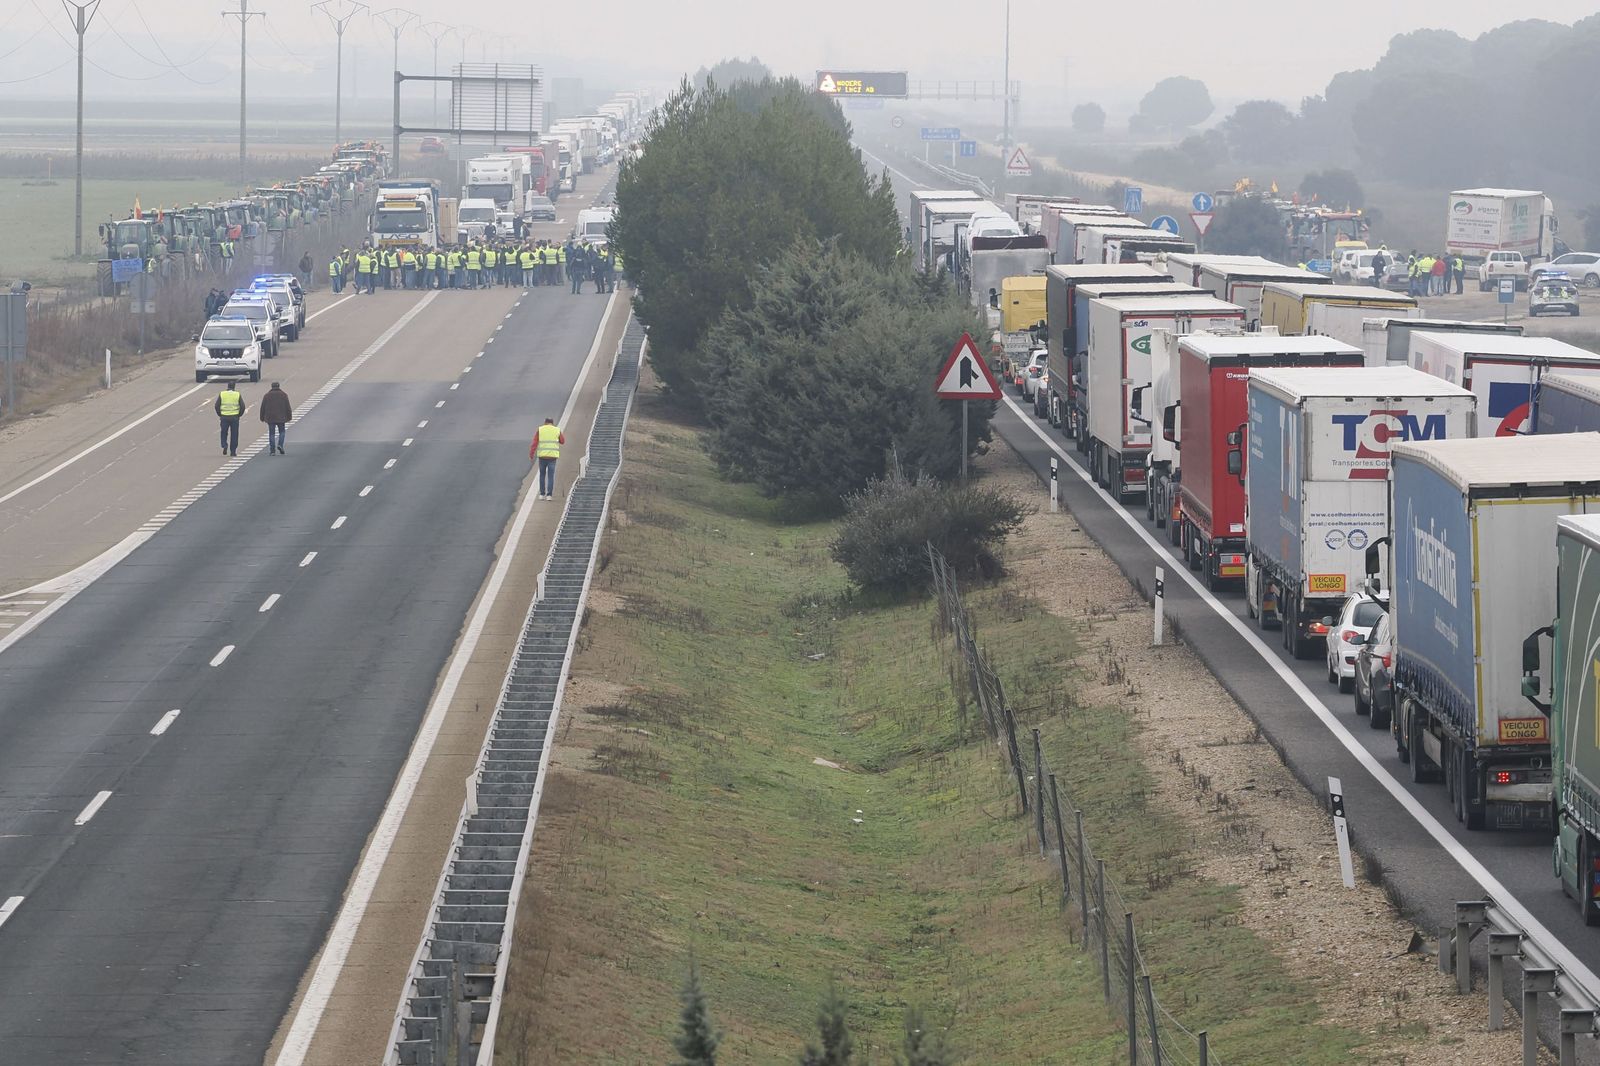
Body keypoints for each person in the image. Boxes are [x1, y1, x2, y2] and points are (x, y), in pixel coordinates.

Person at [530, 417, 564, 500]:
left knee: (542, 475)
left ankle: (542, 494)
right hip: (552, 457)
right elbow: (562, 441)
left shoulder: (540, 429)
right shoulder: (557, 430)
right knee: (551, 476)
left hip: (542, 457)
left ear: (545, 422)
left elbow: (534, 443)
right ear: (552, 423)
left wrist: (531, 454)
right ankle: (549, 495)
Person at [260, 380, 292, 455]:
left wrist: (262, 417)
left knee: (272, 434)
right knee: (282, 432)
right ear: (278, 386)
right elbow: (288, 407)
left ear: (272, 387)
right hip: (281, 417)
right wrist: (289, 416)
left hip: (270, 418)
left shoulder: (267, 395)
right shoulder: (284, 395)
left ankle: (272, 451)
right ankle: (280, 444)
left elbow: (263, 407)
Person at [215, 383, 246, 456]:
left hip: (224, 417)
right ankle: (233, 451)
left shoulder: (222, 394)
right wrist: (239, 415)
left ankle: (224, 445)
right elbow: (242, 406)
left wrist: (220, 414)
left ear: (227, 386)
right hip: (234, 417)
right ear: (234, 387)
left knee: (224, 432)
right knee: (234, 434)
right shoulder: (237, 394)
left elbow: (217, 406)